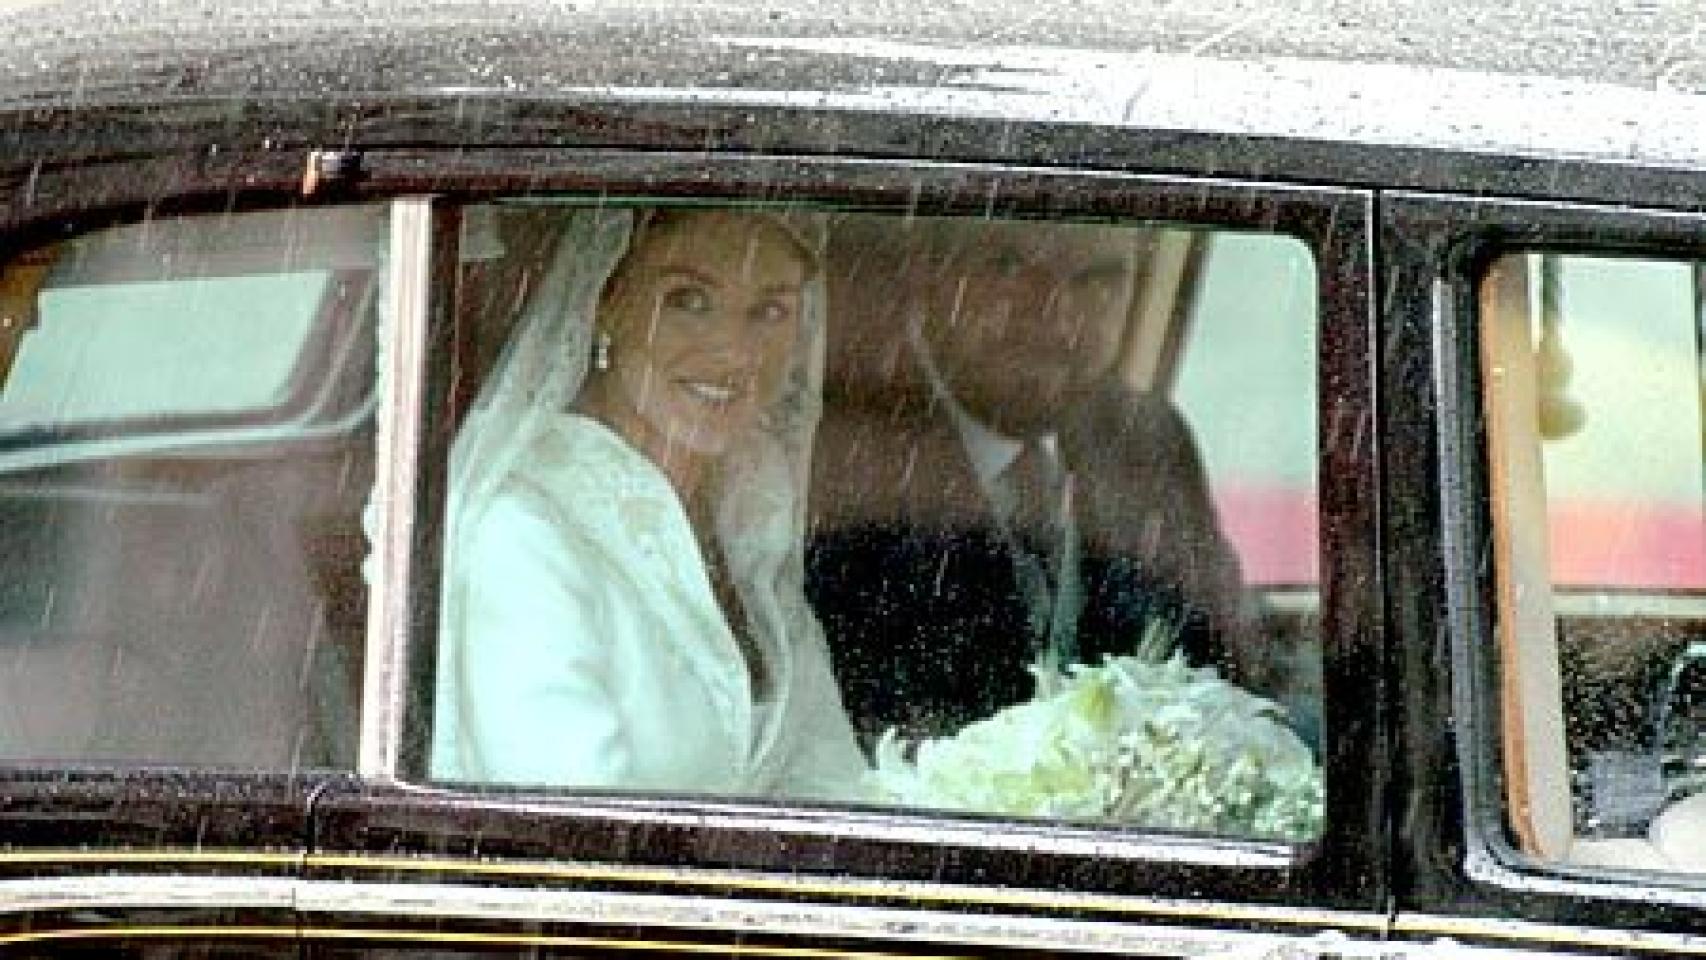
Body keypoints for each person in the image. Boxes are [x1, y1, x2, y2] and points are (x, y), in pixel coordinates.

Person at [432, 206, 867, 798]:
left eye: (770, 311)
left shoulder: (748, 514)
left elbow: (834, 780)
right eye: (688, 301)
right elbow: (572, 837)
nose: (736, 353)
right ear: (608, 302)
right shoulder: (521, 537)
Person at [807, 215, 1257, 738]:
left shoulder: (1147, 439)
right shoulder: (842, 452)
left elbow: (1225, 662)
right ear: (929, 275)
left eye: (1097, 280)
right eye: (1010, 266)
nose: (1058, 316)